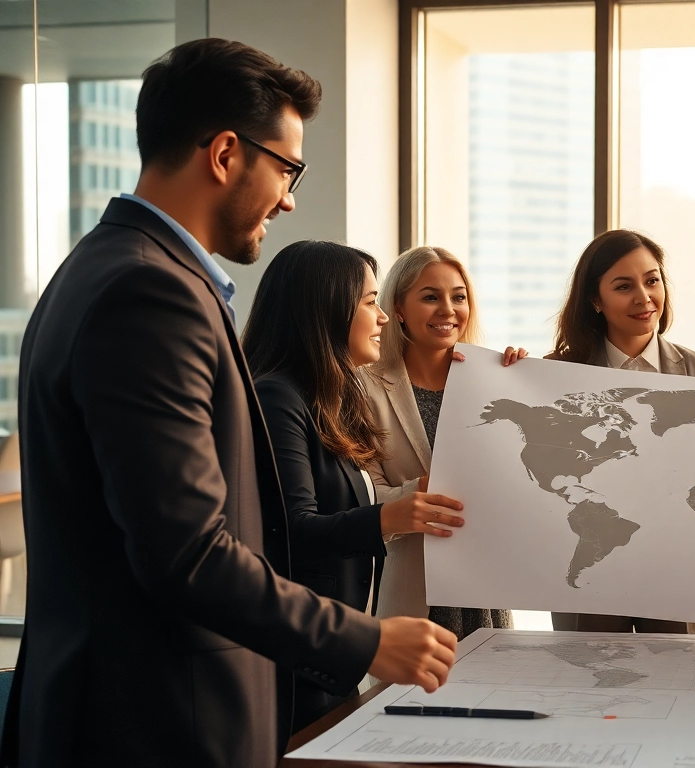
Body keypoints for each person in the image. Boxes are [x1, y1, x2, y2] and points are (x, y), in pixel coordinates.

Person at [5, 39, 456, 767]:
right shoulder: (150, 294)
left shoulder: (100, 268)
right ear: (223, 154)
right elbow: (187, 551)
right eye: (287, 167)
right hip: (157, 725)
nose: (290, 197)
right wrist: (364, 638)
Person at [243, 241, 473, 730]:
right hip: (302, 658)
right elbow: (290, 531)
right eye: (371, 302)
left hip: (330, 659)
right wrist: (395, 514)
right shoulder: (278, 397)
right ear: (326, 307)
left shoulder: (319, 397)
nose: (383, 317)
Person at [547, 229, 695, 634]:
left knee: (680, 683)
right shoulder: (557, 373)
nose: (644, 297)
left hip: (675, 564)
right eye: (624, 286)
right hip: (591, 561)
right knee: (593, 684)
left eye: (652, 280)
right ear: (595, 300)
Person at [362, 246, 524, 636]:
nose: (448, 310)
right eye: (430, 297)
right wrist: (422, 491)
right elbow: (362, 500)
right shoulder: (364, 387)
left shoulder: (494, 380)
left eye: (458, 297)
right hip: (412, 591)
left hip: (485, 590)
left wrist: (527, 387)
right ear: (398, 308)